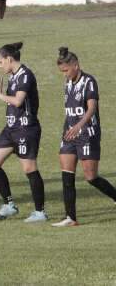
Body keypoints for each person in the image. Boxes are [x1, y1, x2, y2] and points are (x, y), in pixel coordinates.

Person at [53, 47, 116, 227]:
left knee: (91, 177)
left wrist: (79, 125)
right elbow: (70, 110)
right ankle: (70, 218)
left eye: (66, 70)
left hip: (88, 134)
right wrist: (68, 129)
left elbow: (91, 108)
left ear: (76, 65)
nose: (64, 75)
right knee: (66, 174)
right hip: (70, 134)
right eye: (61, 72)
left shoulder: (89, 81)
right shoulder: (68, 83)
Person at [0, 42, 47, 223]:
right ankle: (9, 205)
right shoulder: (13, 76)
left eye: (0, 62)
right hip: (11, 129)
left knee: (29, 168)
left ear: (9, 59)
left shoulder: (25, 75)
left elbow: (18, 101)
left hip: (26, 129)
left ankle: (40, 212)